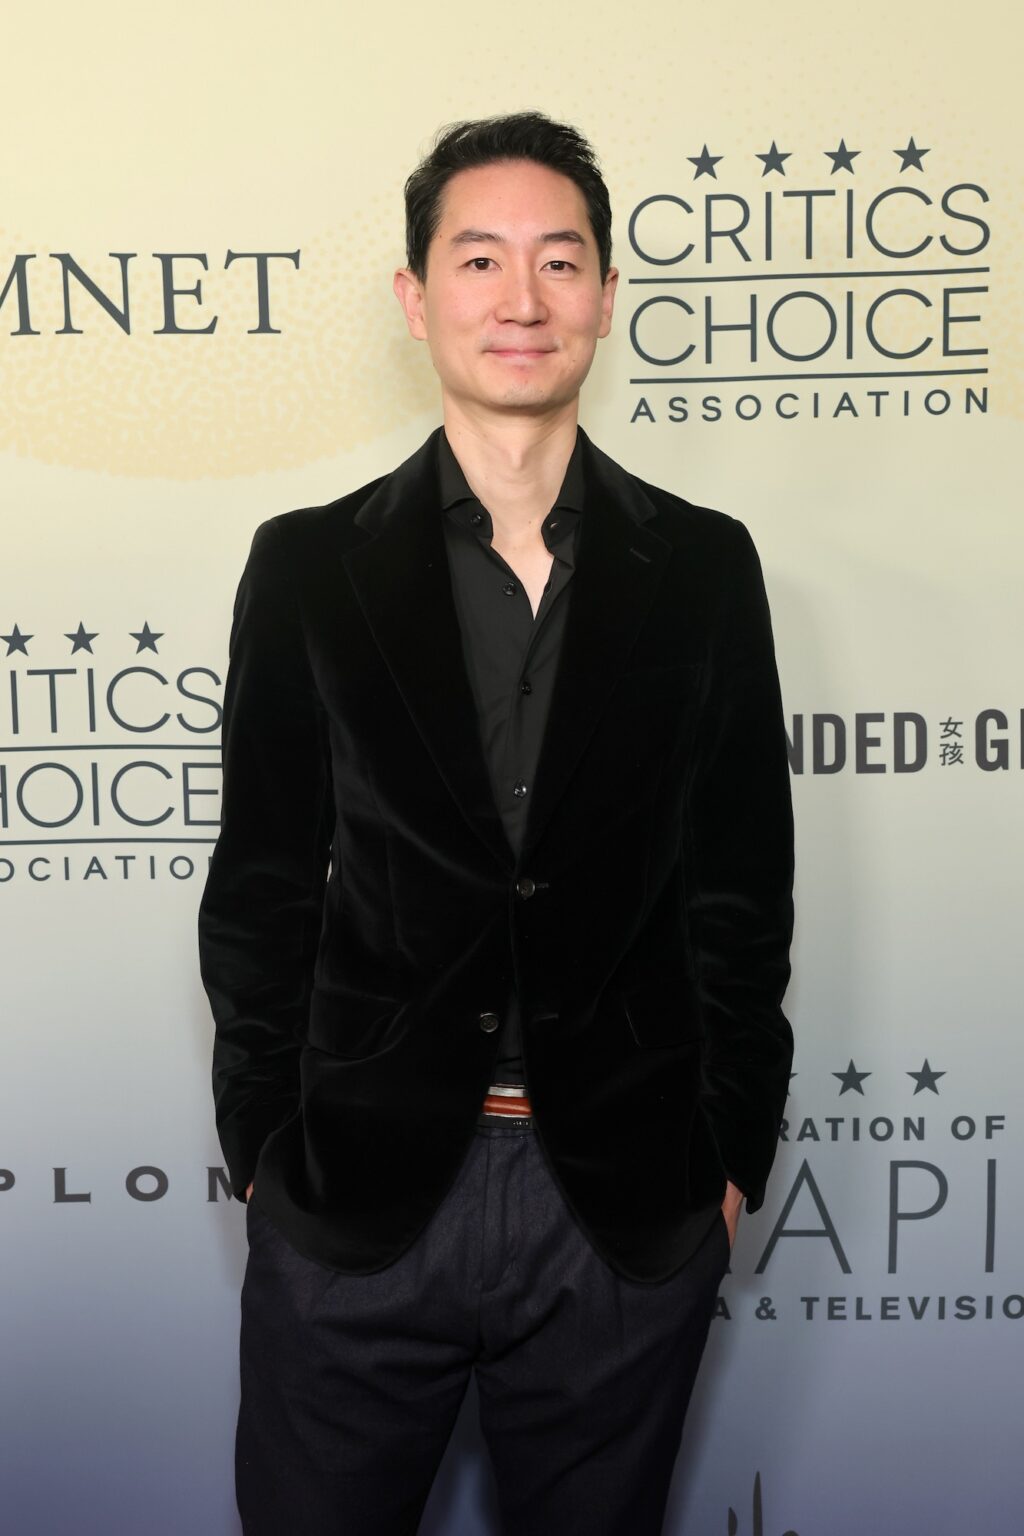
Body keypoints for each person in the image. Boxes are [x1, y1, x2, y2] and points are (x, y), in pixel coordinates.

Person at [198, 110, 794, 1536]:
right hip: (360, 1200)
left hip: (623, 1211)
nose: (521, 299)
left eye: (558, 260)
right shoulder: (304, 571)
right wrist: (268, 1155)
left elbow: (741, 889)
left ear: (603, 293)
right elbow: (265, 885)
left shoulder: (704, 569)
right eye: (479, 260)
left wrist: (725, 1161)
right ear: (418, 300)